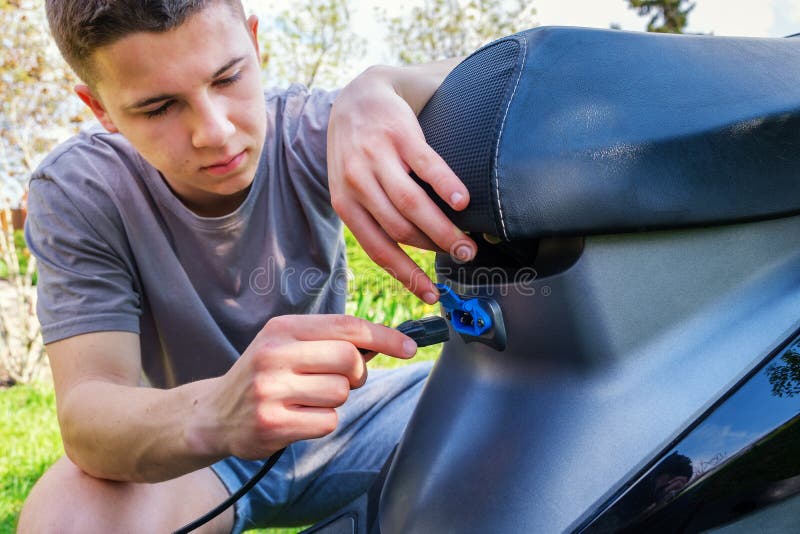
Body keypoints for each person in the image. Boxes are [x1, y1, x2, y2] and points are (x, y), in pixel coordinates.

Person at [17, 1, 478, 532]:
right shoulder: (81, 190)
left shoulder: (317, 126)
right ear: (99, 108)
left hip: (346, 419)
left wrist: (388, 84)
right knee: (68, 520)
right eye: (159, 107)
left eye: (229, 76)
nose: (214, 131)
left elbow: (527, 72)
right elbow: (86, 414)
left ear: (254, 44)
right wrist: (218, 412)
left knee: (539, 409)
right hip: (193, 451)